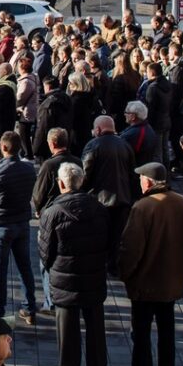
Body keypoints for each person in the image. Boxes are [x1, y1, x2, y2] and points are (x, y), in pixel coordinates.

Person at [117, 162, 183, 366]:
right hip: (171, 281)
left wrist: (124, 273)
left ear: (148, 182)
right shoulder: (180, 204)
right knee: (167, 330)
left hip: (145, 283)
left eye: (141, 178)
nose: (139, 182)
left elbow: (132, 248)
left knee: (141, 332)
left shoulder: (143, 207)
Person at [38, 161, 110, 366]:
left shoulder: (53, 213)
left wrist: (51, 269)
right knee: (96, 329)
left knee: (67, 332)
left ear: (61, 184)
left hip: (65, 279)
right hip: (94, 276)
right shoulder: (99, 208)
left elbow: (45, 251)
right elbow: (108, 242)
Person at [0, 132, 38, 323]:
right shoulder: (29, 169)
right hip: (22, 222)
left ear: (3, 147)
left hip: (0, 225)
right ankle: (29, 308)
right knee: (25, 266)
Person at [78, 114, 136, 271]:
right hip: (123, 198)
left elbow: (86, 172)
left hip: (100, 199)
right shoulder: (125, 145)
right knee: (116, 237)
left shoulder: (93, 145)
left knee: (99, 235)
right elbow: (131, 173)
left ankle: (99, 265)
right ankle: (113, 265)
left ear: (97, 129)